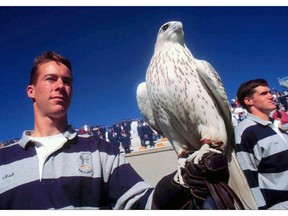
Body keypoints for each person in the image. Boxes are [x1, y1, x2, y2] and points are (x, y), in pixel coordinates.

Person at [0, 51, 218, 210]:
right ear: (31, 91)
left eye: (67, 81)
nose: (60, 86)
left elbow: (143, 205)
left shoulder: (101, 150)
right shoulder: (3, 160)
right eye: (50, 79)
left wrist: (177, 186)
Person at [235, 78, 288, 209]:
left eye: (270, 92)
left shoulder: (276, 128)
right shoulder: (246, 132)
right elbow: (249, 177)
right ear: (248, 101)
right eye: (264, 93)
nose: (271, 96)